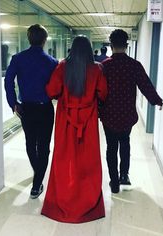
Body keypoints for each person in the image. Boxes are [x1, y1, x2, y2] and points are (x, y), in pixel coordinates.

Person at [41, 36, 107, 223]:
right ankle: (87, 201)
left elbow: (52, 91)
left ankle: (63, 199)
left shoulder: (62, 67)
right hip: (88, 120)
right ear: (89, 49)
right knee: (88, 160)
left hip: (66, 120)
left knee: (63, 158)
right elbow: (103, 93)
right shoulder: (96, 69)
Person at [99, 29, 163, 194]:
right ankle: (124, 176)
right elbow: (145, 85)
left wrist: (97, 110)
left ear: (111, 45)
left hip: (109, 114)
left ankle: (114, 182)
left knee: (111, 147)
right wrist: (156, 100)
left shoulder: (104, 67)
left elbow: (97, 91)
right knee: (125, 143)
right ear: (126, 45)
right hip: (127, 114)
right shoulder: (134, 65)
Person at [4, 24, 58, 199]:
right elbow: (56, 88)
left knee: (30, 143)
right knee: (43, 146)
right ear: (44, 40)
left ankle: (37, 173)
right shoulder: (51, 62)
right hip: (45, 109)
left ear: (28, 39)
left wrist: (14, 103)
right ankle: (37, 183)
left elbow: (8, 82)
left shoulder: (18, 58)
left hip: (26, 107)